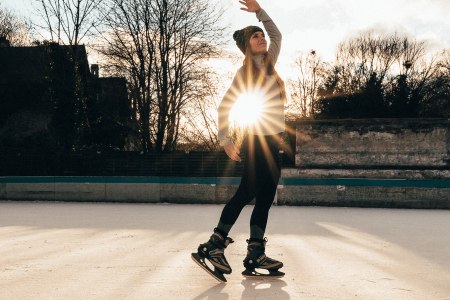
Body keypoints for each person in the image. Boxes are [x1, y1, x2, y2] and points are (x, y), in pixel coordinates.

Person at [192, 0, 287, 280]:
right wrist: (226, 140)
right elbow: (225, 107)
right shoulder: (243, 74)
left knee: (266, 195)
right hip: (257, 139)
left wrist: (260, 12)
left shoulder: (270, 63)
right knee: (247, 192)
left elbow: (277, 34)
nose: (263, 37)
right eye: (256, 35)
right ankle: (214, 244)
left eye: (261, 34)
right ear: (247, 45)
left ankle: (255, 251)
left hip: (274, 140)